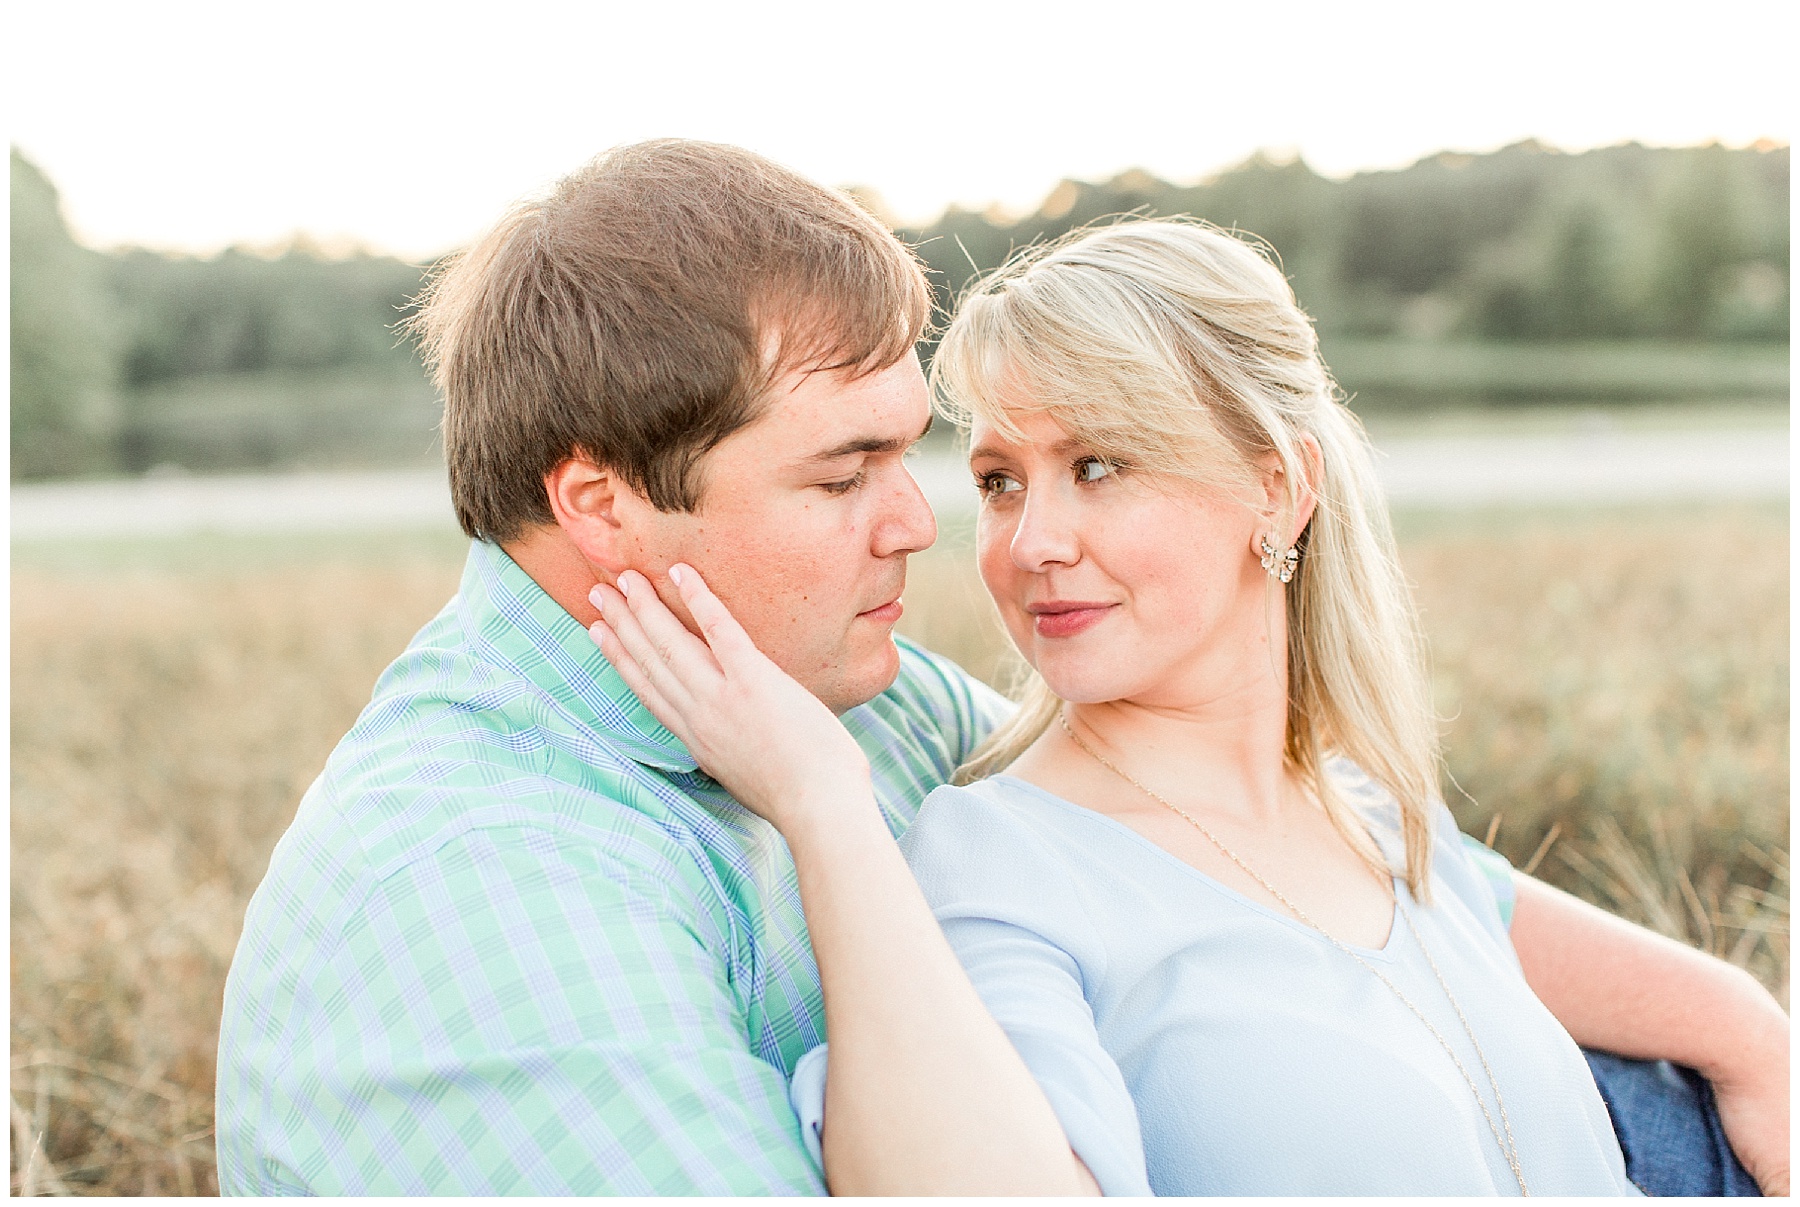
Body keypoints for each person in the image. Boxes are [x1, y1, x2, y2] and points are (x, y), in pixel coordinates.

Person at [586, 217, 1790, 1194]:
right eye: (1002, 482)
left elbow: (1496, 919)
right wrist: (821, 803)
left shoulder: (1361, 804)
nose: (1031, 542)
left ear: (1278, 485)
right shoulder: (1000, 862)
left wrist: (1747, 1025)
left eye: (1097, 465)